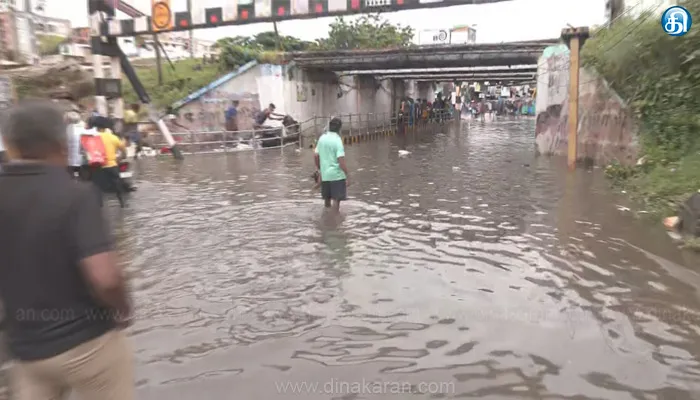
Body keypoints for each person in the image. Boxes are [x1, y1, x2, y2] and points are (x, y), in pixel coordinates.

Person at [0, 101, 134, 400]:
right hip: (89, 344)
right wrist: (123, 309)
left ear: (9, 145)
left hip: (25, 352)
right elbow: (106, 278)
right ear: (62, 145)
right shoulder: (75, 195)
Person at [314, 117, 349, 212]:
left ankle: (326, 220)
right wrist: (347, 174)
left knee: (327, 200)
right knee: (336, 201)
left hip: (325, 175)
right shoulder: (338, 140)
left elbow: (316, 155)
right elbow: (341, 160)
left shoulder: (322, 138)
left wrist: (318, 169)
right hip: (337, 176)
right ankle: (335, 223)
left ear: (329, 127)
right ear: (340, 129)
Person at [93, 116, 127, 208]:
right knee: (117, 185)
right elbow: (123, 150)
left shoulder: (93, 138)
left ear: (96, 127)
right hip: (112, 165)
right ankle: (122, 204)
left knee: (98, 187)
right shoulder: (113, 137)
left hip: (99, 166)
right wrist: (120, 158)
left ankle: (100, 206)